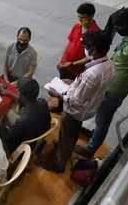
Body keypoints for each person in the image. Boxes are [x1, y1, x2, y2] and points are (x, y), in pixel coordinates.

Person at [75, 8, 128, 158]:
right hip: (108, 84)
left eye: (120, 26)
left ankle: (91, 149)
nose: (117, 29)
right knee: (97, 114)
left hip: (114, 91)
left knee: (102, 120)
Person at [42, 30, 114, 173]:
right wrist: (73, 83)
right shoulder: (108, 64)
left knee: (68, 133)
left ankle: (59, 164)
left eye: (86, 47)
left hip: (75, 112)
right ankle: (65, 147)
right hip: (89, 107)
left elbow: (75, 101)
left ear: (93, 49)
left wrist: (59, 93)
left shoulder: (92, 74)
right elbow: (88, 90)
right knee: (71, 134)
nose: (84, 50)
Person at [0, 78, 51, 154]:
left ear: (21, 94)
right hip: (35, 136)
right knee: (8, 113)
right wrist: (10, 94)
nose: (17, 92)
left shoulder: (22, 121)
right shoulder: (43, 102)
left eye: (18, 91)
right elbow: (27, 101)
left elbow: (7, 138)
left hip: (17, 148)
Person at [58, 3, 100, 81]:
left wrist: (72, 64)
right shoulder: (77, 26)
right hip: (65, 65)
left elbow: (91, 57)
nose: (80, 20)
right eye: (78, 17)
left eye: (83, 17)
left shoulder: (96, 34)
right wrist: (62, 61)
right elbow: (69, 44)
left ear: (91, 16)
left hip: (77, 71)